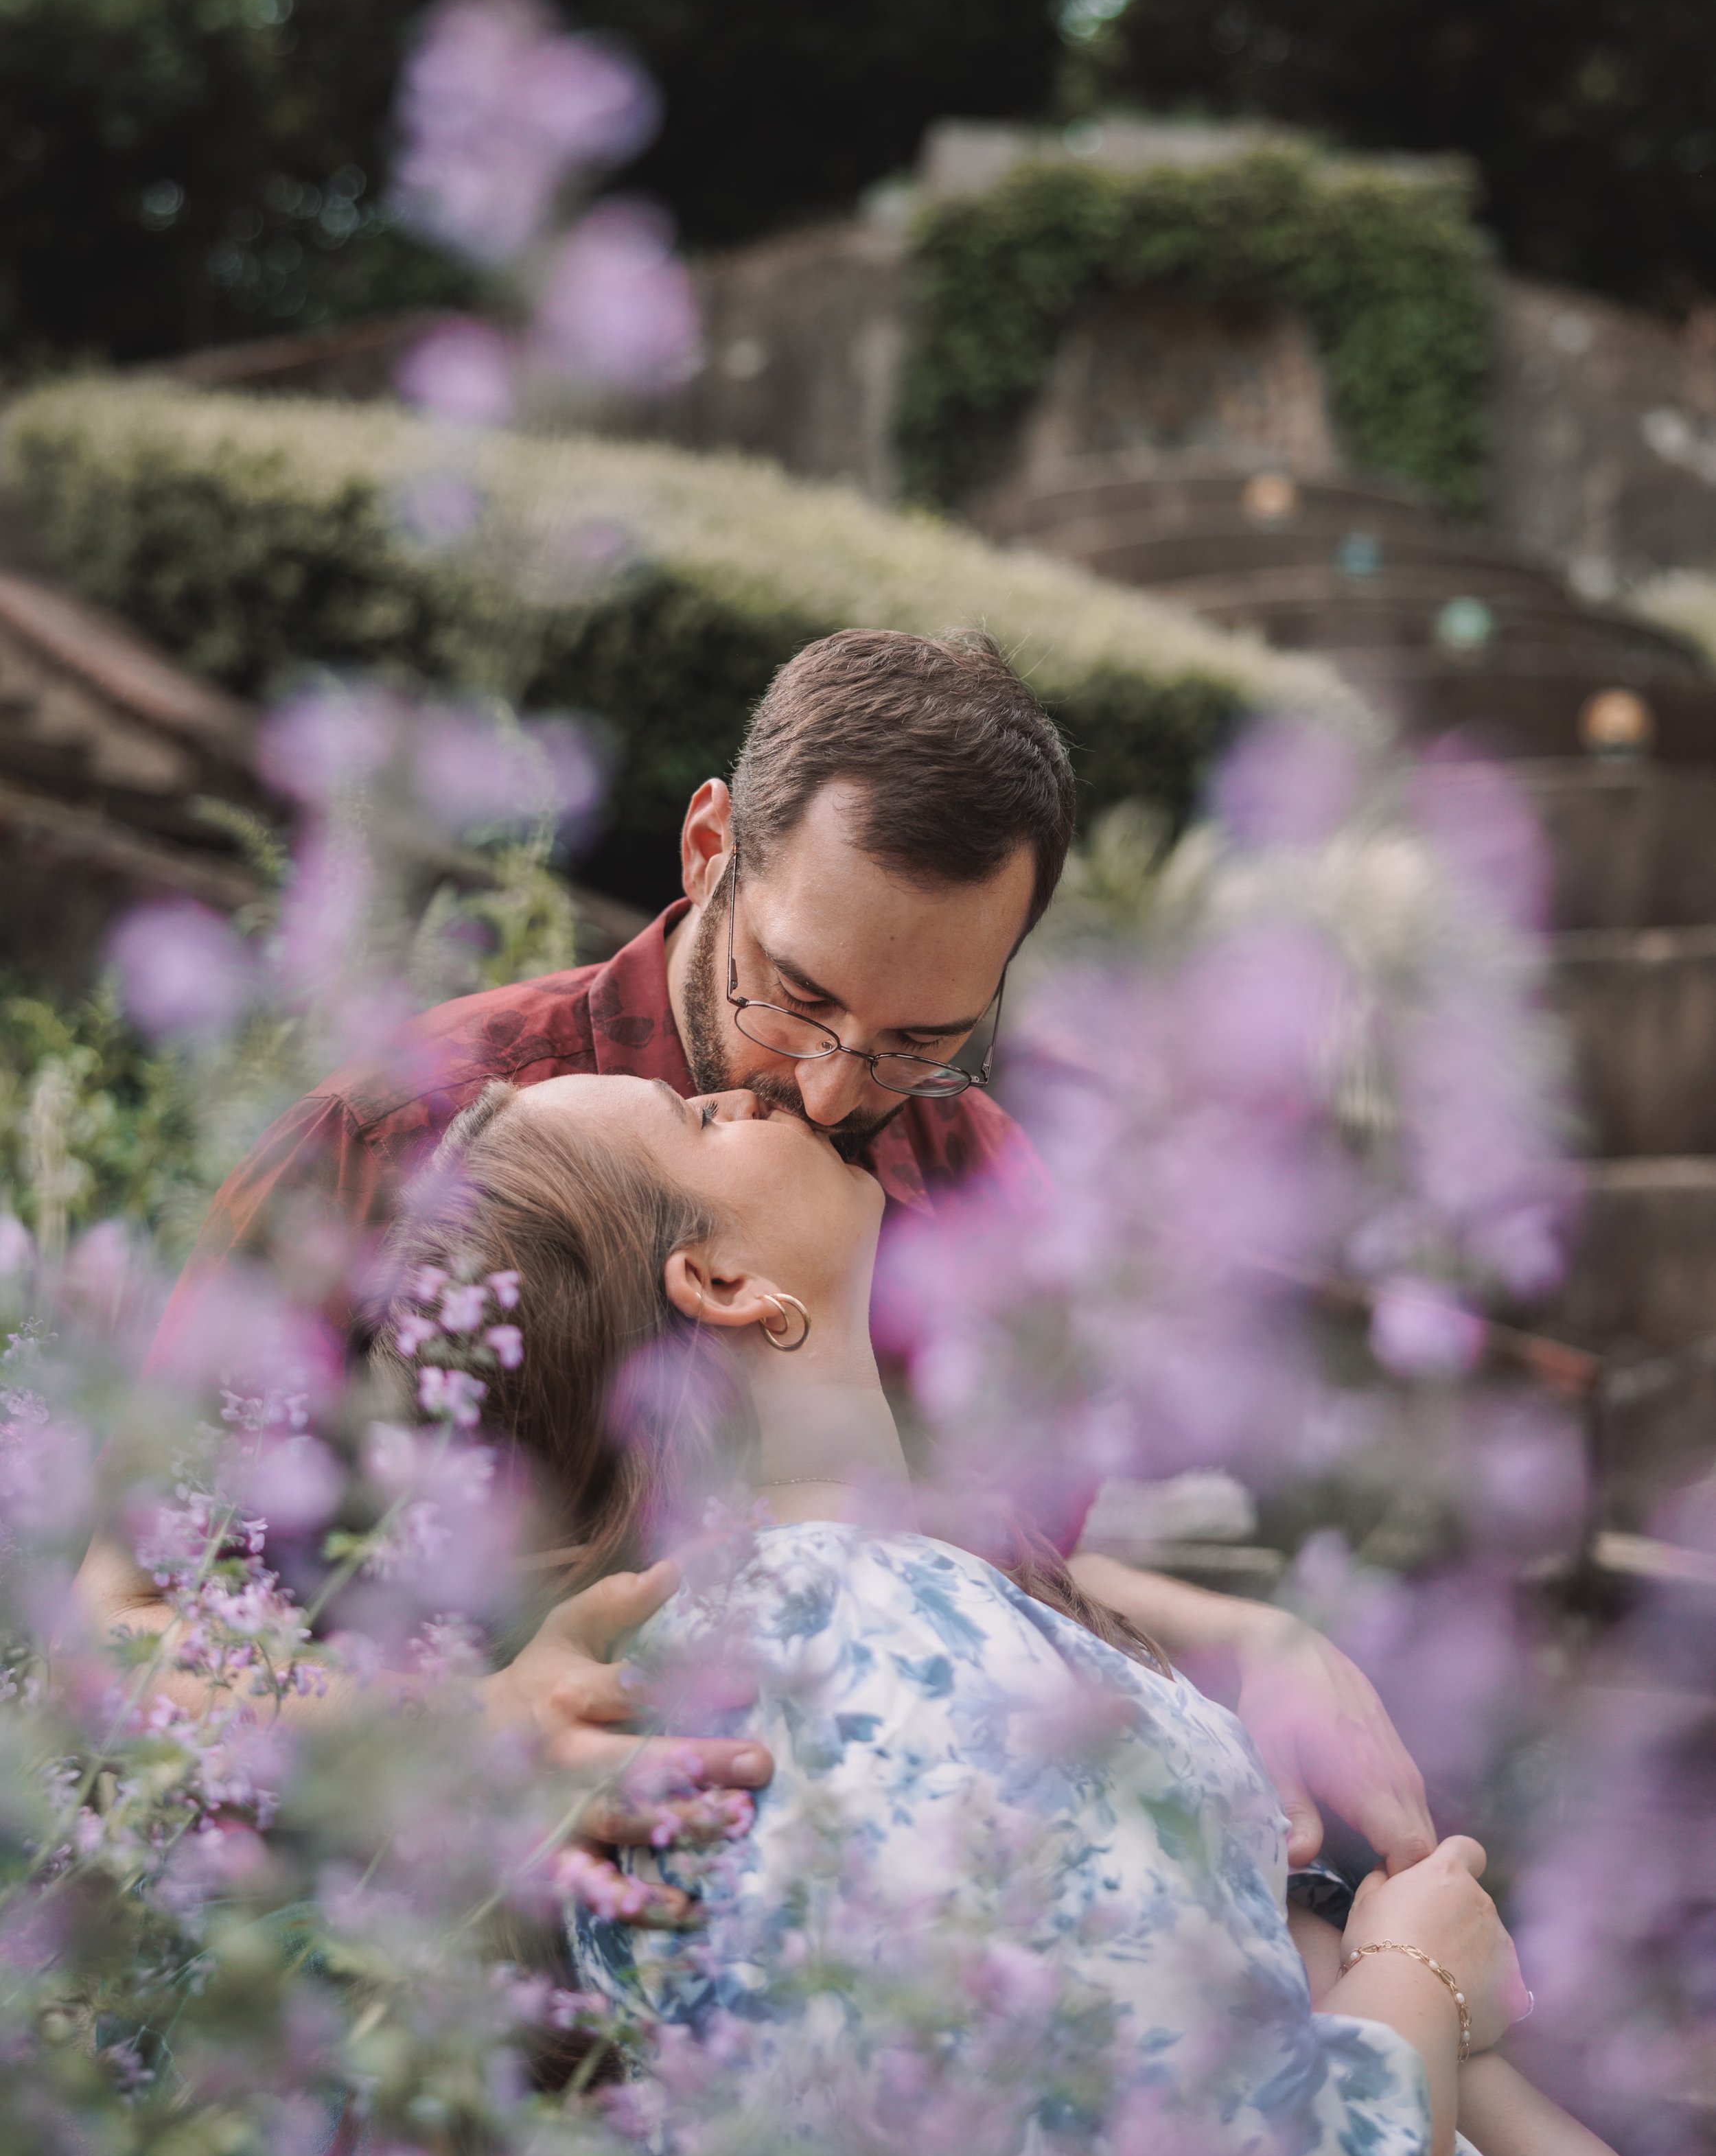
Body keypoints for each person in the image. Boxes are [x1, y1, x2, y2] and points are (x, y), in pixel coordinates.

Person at [130, 628, 1437, 1883]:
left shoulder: (989, 1196)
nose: (828, 1092)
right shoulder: (408, 1131)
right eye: (798, 996)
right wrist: (459, 1726)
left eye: (924, 1038)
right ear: (710, 849)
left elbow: (951, 1572)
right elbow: (109, 1623)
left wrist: (1240, 1632)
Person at [368, 1069, 1713, 2156]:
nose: (764, 1090)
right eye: (698, 1118)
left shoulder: (740, 1650)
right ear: (723, 1284)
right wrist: (1420, 1965)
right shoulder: (888, 1642)